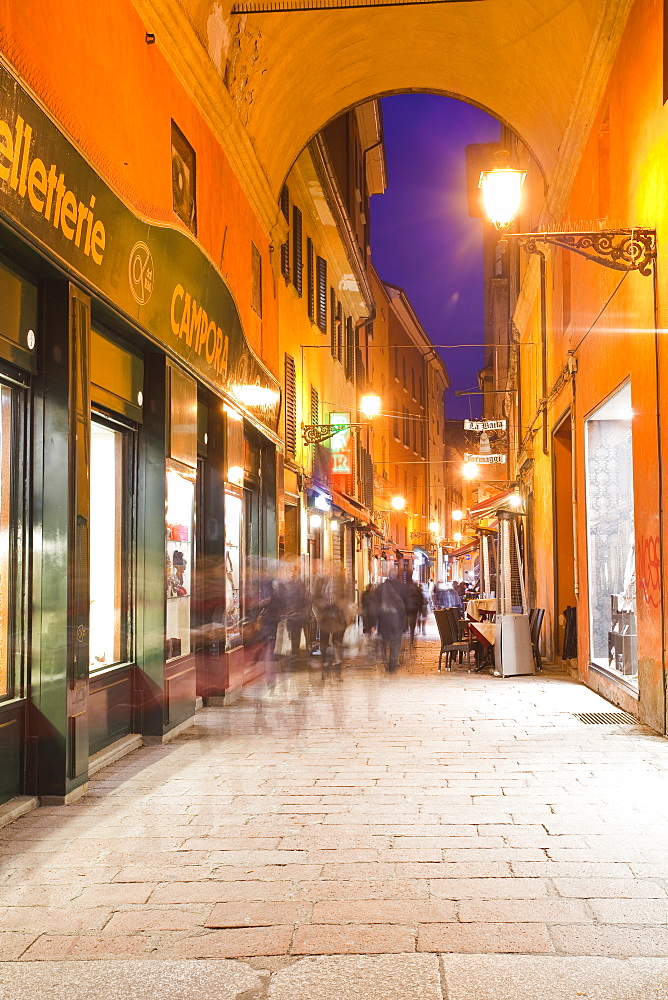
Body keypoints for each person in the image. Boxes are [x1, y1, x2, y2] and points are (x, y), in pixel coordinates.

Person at [375, 568, 408, 672]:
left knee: (384, 642)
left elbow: (374, 605)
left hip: (383, 619)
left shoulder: (380, 588)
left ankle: (386, 663)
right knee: (396, 641)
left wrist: (372, 622)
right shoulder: (402, 587)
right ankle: (392, 665)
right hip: (397, 619)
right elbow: (406, 604)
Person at [282, 560, 310, 662]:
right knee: (291, 634)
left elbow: (302, 599)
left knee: (295, 634)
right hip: (289, 613)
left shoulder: (298, 583)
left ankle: (294, 653)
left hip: (296, 614)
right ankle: (293, 653)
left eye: (291, 571)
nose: (289, 573)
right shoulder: (287, 583)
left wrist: (297, 611)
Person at [406, 579, 426, 645]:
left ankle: (410, 633)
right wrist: (420, 611)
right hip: (415, 609)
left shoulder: (408, 590)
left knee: (410, 621)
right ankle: (412, 635)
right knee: (413, 622)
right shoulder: (418, 590)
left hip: (409, 609)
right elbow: (421, 601)